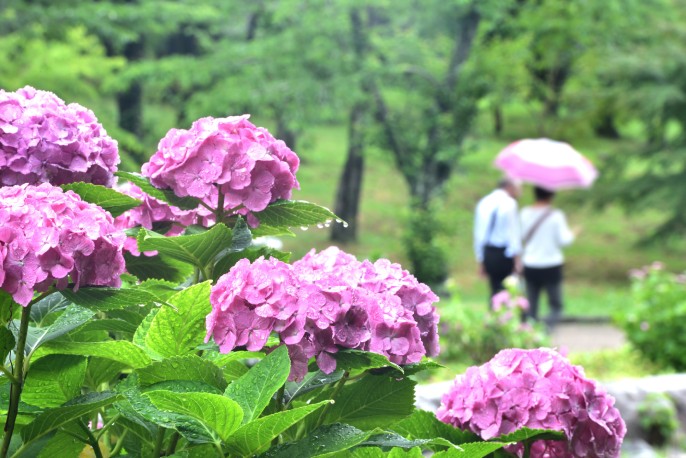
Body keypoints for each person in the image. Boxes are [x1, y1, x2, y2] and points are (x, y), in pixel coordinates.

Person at [519, 186, 575, 329]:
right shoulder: (556, 216)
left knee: (530, 305)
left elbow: (520, 237)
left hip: (530, 263)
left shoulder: (525, 213)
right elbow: (565, 240)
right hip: (551, 265)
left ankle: (530, 334)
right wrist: (573, 233)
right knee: (556, 305)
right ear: (551, 196)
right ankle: (547, 331)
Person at [473, 177, 523, 303]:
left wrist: (481, 258)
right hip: (505, 253)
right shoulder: (510, 203)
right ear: (510, 187)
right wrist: (517, 259)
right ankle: (509, 318)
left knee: (494, 289)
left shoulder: (484, 202)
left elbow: (478, 234)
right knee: (509, 289)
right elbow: (513, 233)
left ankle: (494, 318)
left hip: (488, 252)